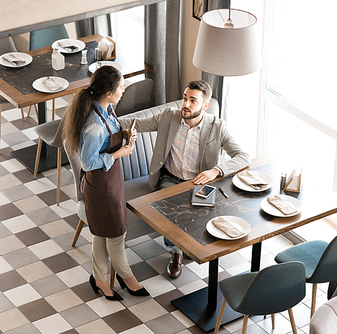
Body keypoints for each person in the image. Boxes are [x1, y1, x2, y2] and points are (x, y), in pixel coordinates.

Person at [118, 80, 250, 278]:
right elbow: (134, 124)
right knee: (171, 215)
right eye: (185, 98)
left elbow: (243, 156)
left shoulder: (217, 127)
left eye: (193, 101)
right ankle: (177, 253)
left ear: (205, 106)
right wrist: (103, 119)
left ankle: (198, 250)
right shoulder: (168, 116)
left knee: (207, 213)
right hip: (170, 179)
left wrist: (216, 171)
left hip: (200, 183)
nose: (186, 104)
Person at [62, 65, 149, 300]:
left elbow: (109, 140)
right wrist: (121, 153)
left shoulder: (107, 110)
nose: (124, 89)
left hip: (111, 182)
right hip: (101, 187)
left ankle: (100, 279)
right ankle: (127, 277)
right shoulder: (94, 126)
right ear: (108, 93)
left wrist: (125, 137)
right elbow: (89, 163)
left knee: (100, 233)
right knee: (116, 234)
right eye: (121, 87)